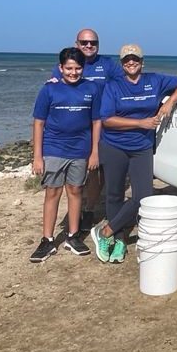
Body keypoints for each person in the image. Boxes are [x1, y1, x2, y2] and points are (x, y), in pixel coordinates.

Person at [90, 44, 177, 263]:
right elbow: (107, 119)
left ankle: (106, 231)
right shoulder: (113, 86)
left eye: (135, 59)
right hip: (113, 146)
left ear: (142, 62)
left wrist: (169, 103)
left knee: (143, 197)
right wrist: (141, 122)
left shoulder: (154, 80)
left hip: (142, 148)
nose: (131, 62)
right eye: (127, 59)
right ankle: (118, 240)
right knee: (114, 194)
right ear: (121, 64)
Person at [30, 47, 102, 263]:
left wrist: (94, 152)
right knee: (52, 192)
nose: (73, 72)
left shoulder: (92, 88)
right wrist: (37, 156)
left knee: (76, 190)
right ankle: (47, 240)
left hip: (81, 150)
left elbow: (96, 121)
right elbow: (38, 122)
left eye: (78, 68)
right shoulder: (49, 90)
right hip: (54, 149)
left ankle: (72, 236)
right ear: (60, 68)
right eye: (69, 68)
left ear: (83, 68)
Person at [49, 28, 121, 232]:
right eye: (84, 42)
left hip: (103, 125)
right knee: (82, 173)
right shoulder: (71, 64)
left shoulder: (107, 64)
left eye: (93, 43)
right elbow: (55, 87)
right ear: (76, 43)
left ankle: (89, 210)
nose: (89, 46)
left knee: (98, 171)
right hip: (80, 129)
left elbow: (127, 80)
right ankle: (79, 211)